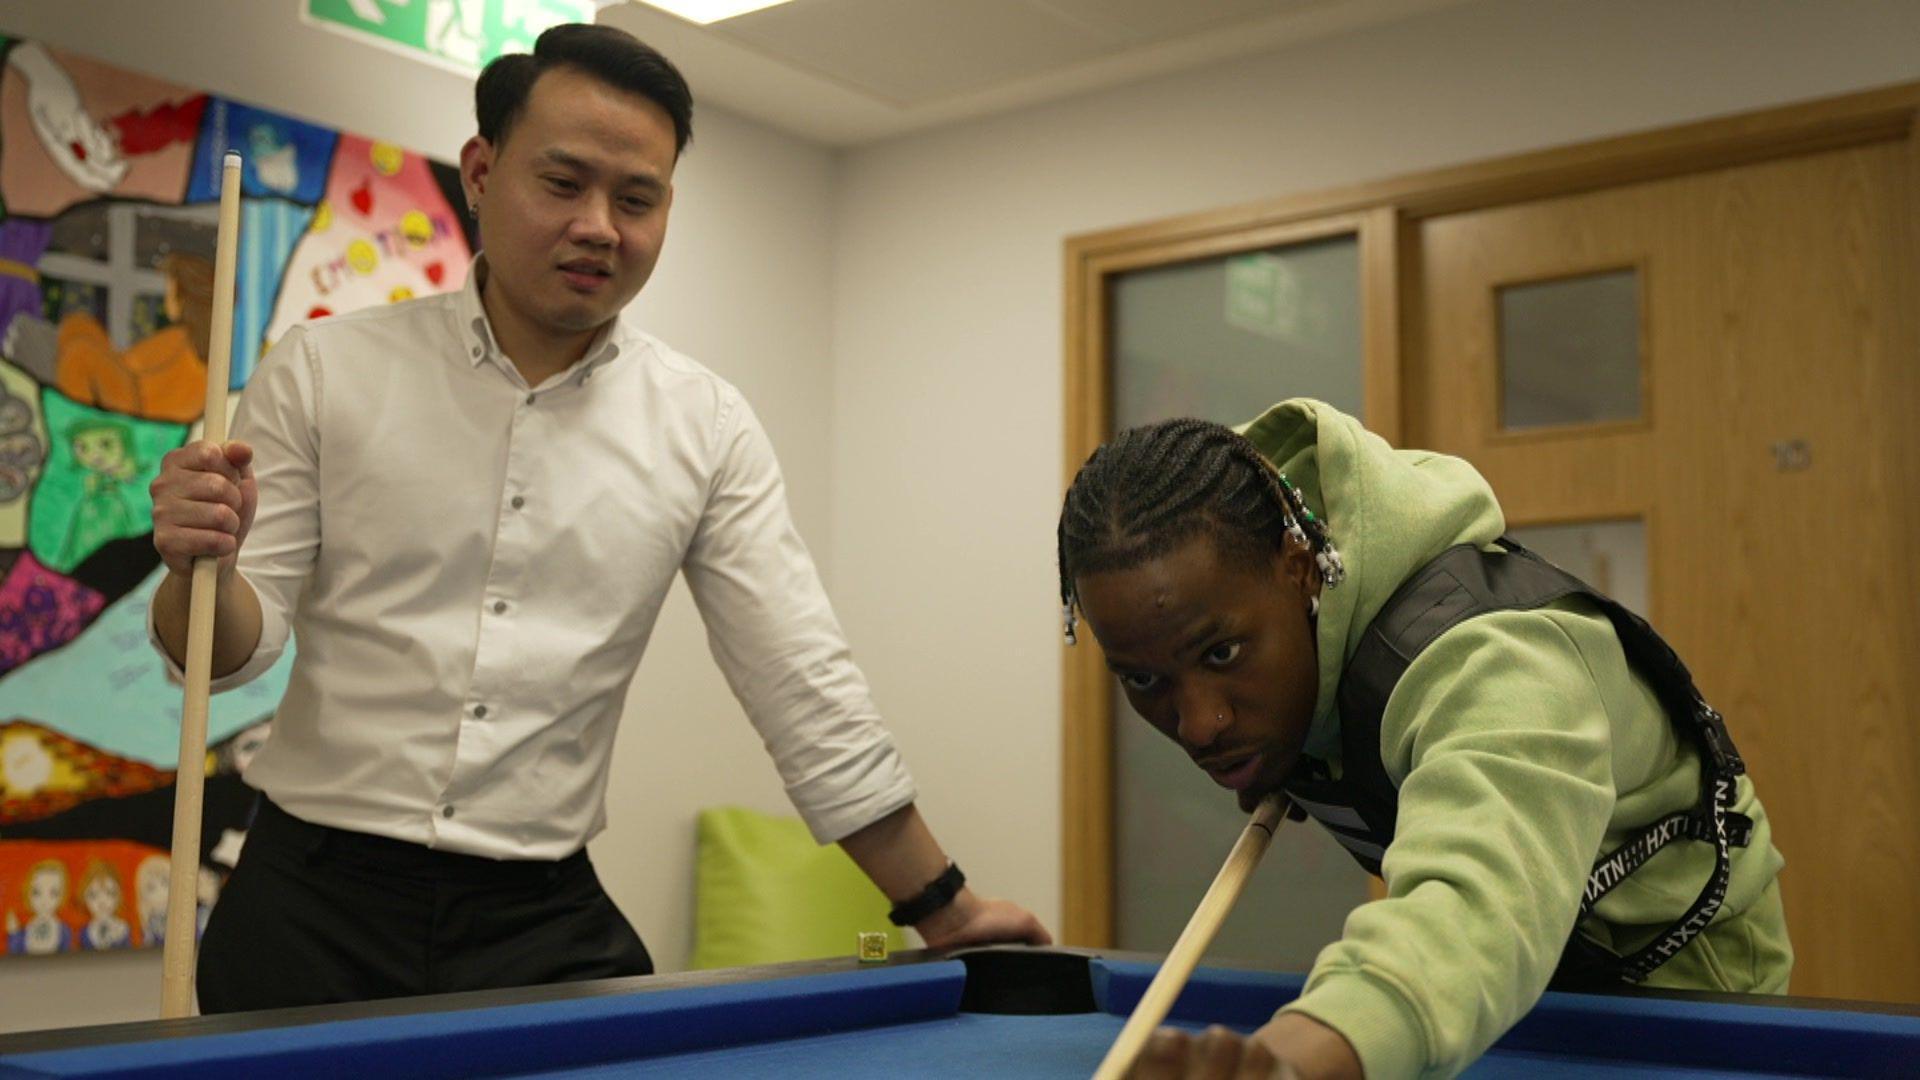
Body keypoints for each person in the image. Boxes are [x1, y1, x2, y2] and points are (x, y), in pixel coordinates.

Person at [147, 23, 1045, 1012]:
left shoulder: (705, 425)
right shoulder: (323, 370)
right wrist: (204, 567)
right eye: (563, 182)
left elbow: (803, 688)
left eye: (637, 198)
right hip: (309, 903)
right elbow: (220, 652)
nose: (600, 227)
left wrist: (944, 905)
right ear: (481, 172)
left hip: (539, 917)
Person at [1057, 400, 1790, 1079]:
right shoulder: (1288, 643)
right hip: (1494, 999)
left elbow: (1476, 905)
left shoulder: (1500, 661)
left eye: (1222, 654)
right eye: (1144, 681)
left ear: (1300, 568)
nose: (1199, 724)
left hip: (1677, 998)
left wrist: (1288, 1059)